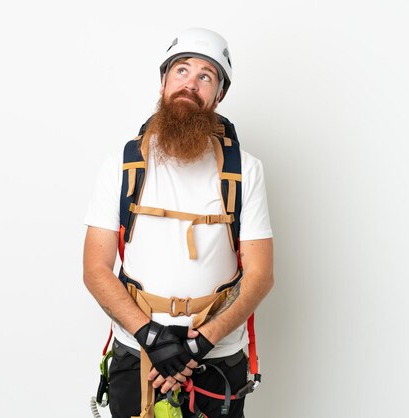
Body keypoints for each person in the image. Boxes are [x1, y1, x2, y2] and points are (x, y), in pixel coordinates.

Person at [83, 28, 274, 418]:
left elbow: (260, 275)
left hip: (216, 359)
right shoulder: (122, 164)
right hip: (136, 357)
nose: (191, 83)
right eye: (182, 70)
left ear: (218, 95)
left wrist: (198, 344)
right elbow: (95, 269)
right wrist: (150, 336)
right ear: (163, 81)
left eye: (206, 76)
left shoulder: (244, 171)